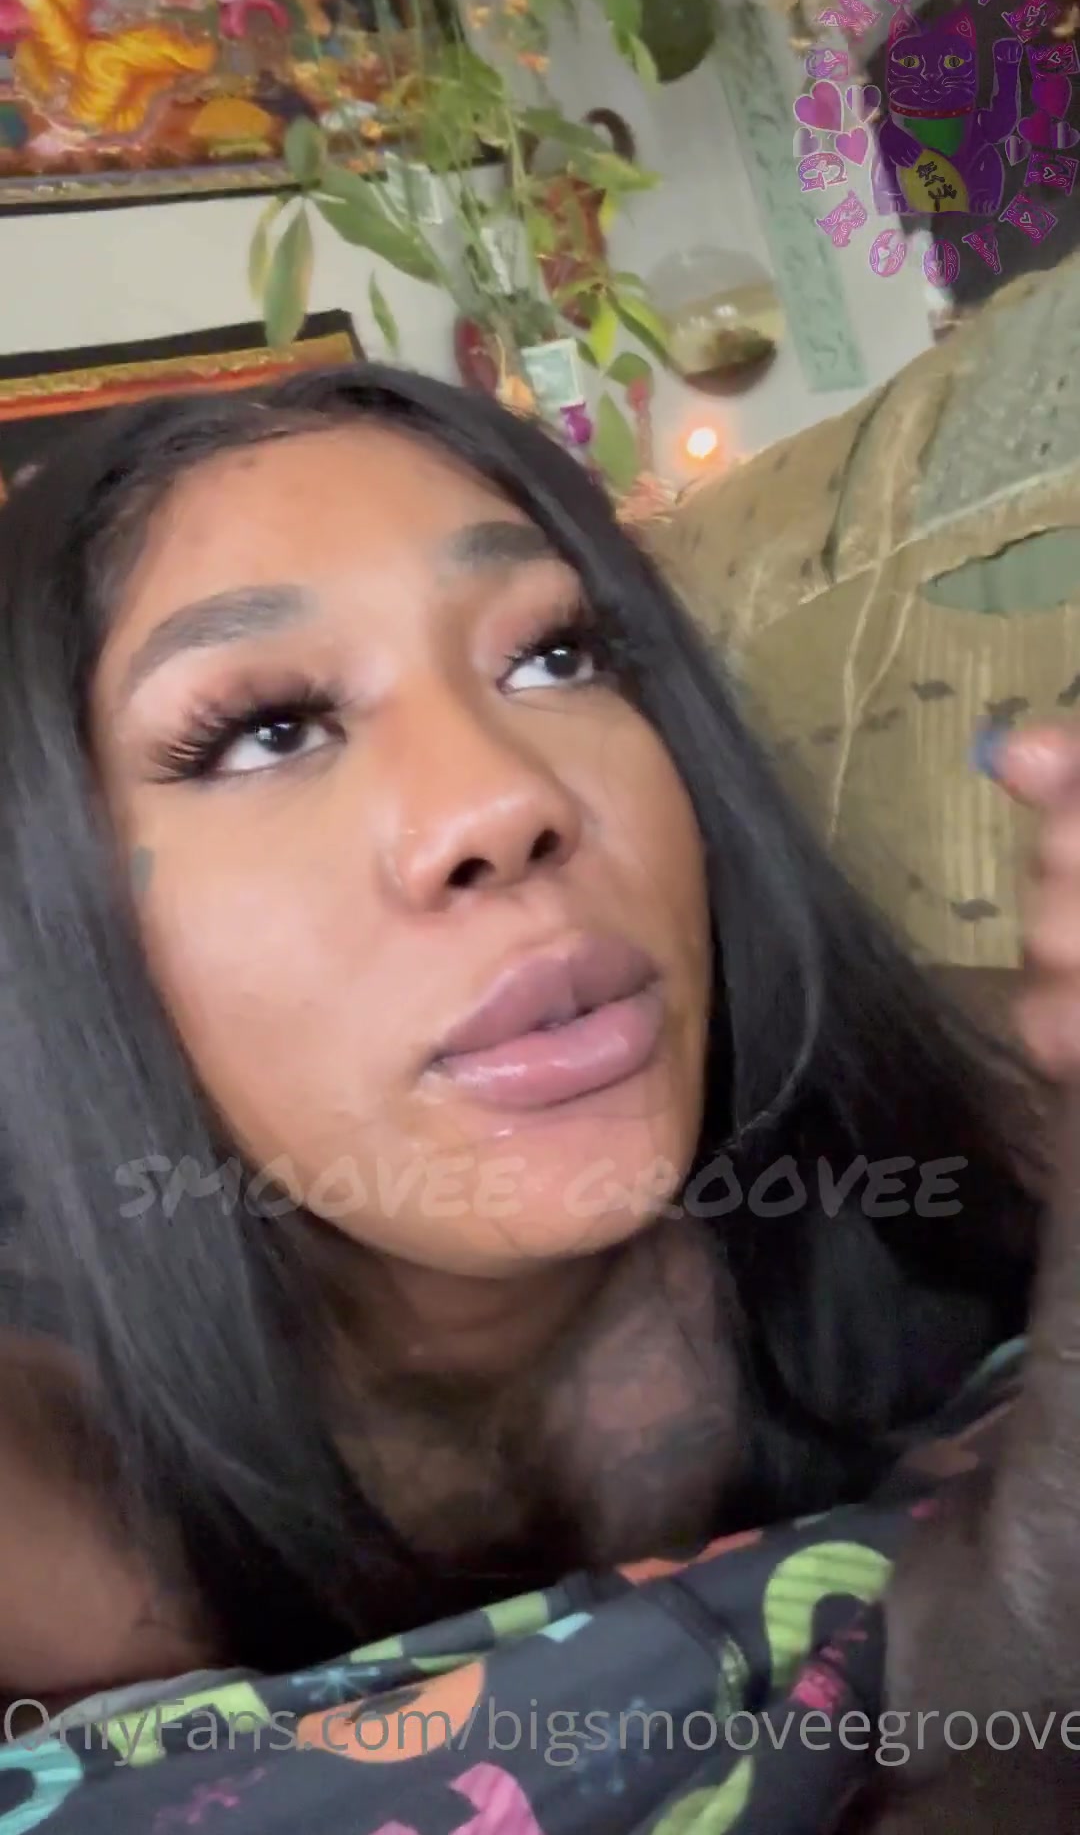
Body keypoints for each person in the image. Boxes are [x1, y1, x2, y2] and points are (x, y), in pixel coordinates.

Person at [0, 365, 1076, 1834]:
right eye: (266, 729)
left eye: (558, 656)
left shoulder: (965, 1110)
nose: (504, 802)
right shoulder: (44, 1506)